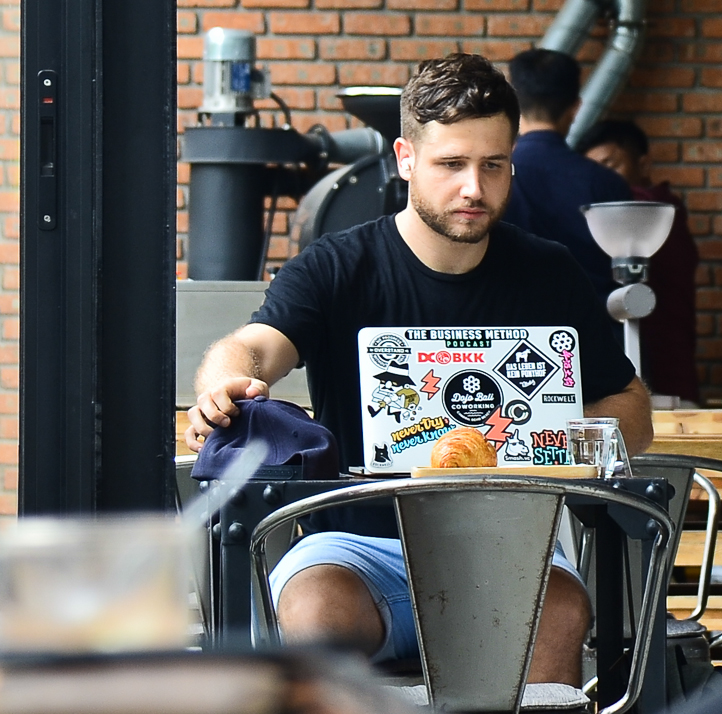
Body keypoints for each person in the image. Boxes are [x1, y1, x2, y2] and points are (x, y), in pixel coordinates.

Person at [184, 53, 653, 686]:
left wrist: (549, 428)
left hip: (510, 548)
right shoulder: (337, 266)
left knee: (559, 611)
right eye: (452, 164)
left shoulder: (550, 274)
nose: (474, 189)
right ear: (406, 159)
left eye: (493, 165)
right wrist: (223, 383)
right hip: (355, 552)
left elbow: (632, 406)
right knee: (313, 609)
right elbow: (255, 347)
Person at [577, 119, 700, 406]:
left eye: (610, 165)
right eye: (595, 171)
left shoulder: (654, 213)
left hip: (670, 383)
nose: (603, 181)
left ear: (643, 165)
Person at [502, 48, 633, 308]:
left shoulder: (490, 179)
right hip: (593, 330)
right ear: (575, 108)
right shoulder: (608, 183)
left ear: (513, 103)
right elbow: (627, 276)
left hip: (513, 333)